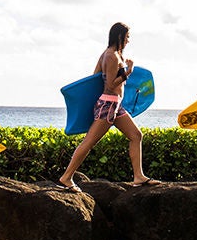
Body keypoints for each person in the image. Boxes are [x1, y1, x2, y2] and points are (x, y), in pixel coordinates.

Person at [57, 22, 158, 190]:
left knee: (136, 135)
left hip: (116, 106)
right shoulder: (110, 56)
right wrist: (128, 72)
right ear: (119, 37)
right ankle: (66, 177)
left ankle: (138, 176)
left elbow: (95, 77)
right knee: (89, 142)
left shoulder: (114, 56)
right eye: (126, 37)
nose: (128, 41)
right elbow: (110, 85)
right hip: (108, 105)